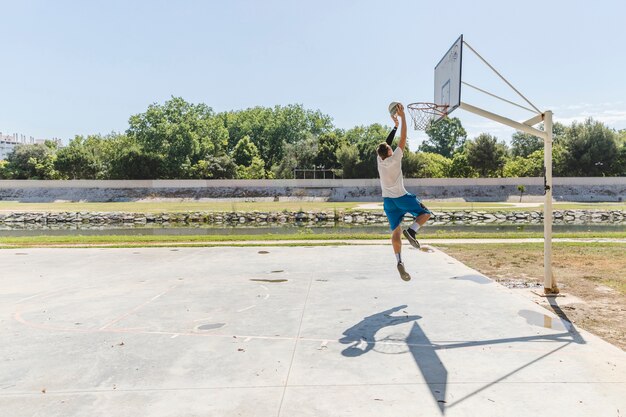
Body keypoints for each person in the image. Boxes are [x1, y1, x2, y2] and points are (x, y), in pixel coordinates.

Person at [376, 103, 432, 281]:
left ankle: (399, 261)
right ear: (390, 151)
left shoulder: (380, 160)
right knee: (425, 213)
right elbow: (403, 138)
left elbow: (387, 143)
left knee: (395, 232)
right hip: (401, 197)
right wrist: (403, 118)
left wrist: (394, 126)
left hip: (388, 203)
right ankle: (413, 231)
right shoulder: (396, 157)